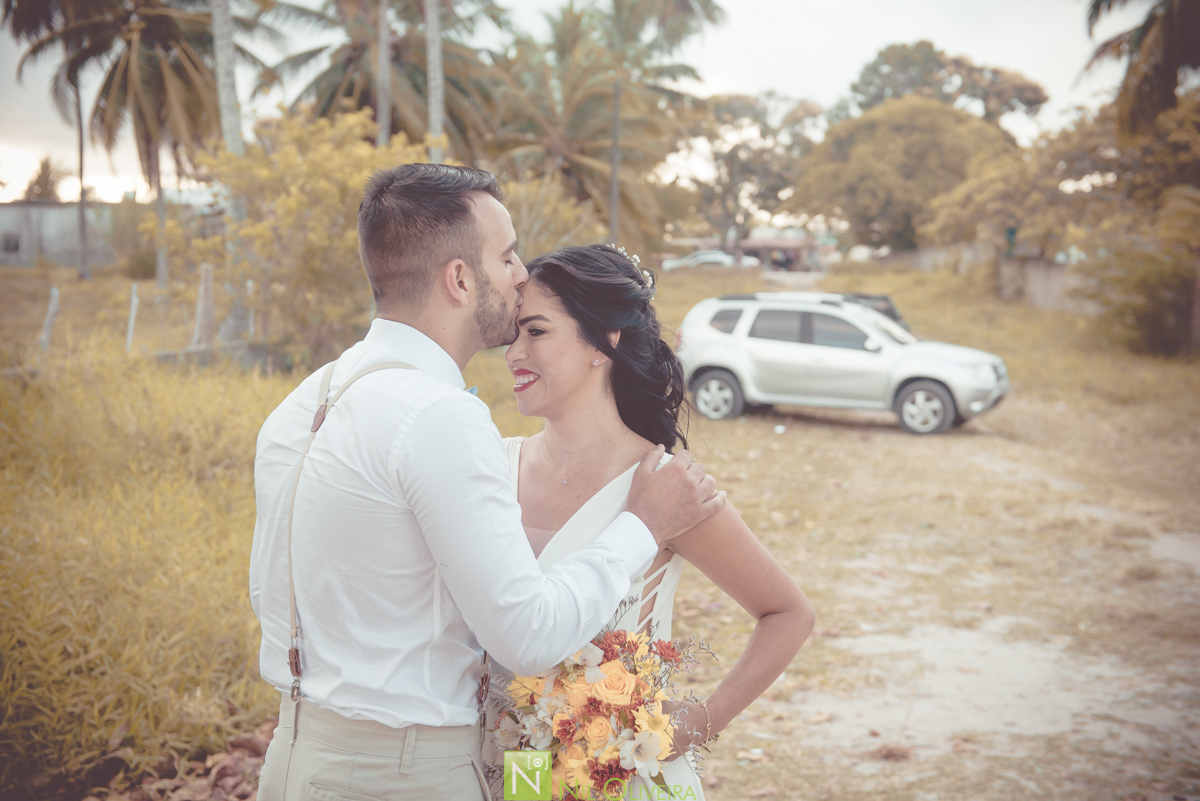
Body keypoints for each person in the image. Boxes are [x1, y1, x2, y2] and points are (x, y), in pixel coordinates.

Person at [249, 164, 725, 801]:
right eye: (506, 256)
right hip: (405, 773)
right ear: (459, 278)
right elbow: (526, 636)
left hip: (295, 759)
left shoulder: (304, 404)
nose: (522, 274)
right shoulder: (439, 416)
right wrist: (639, 525)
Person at [489, 244, 816, 799]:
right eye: (512, 335)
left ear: (605, 340)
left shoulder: (668, 488)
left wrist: (699, 722)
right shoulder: (494, 465)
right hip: (515, 769)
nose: (513, 353)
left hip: (624, 780)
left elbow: (788, 613)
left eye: (536, 332)